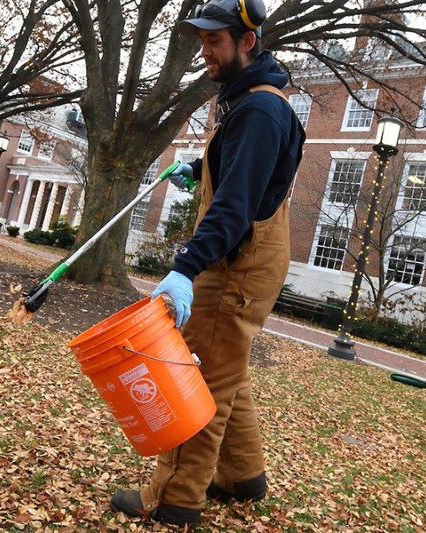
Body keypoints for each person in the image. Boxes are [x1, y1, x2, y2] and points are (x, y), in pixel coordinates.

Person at [109, 0, 305, 527]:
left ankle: (173, 498)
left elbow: (236, 204)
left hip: (237, 260)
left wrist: (186, 266)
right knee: (226, 366)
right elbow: (247, 169)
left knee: (200, 379)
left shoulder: (261, 109)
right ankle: (243, 476)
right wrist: (201, 166)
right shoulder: (250, 101)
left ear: (246, 42)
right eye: (201, 41)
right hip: (252, 255)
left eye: (214, 42)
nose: (205, 52)